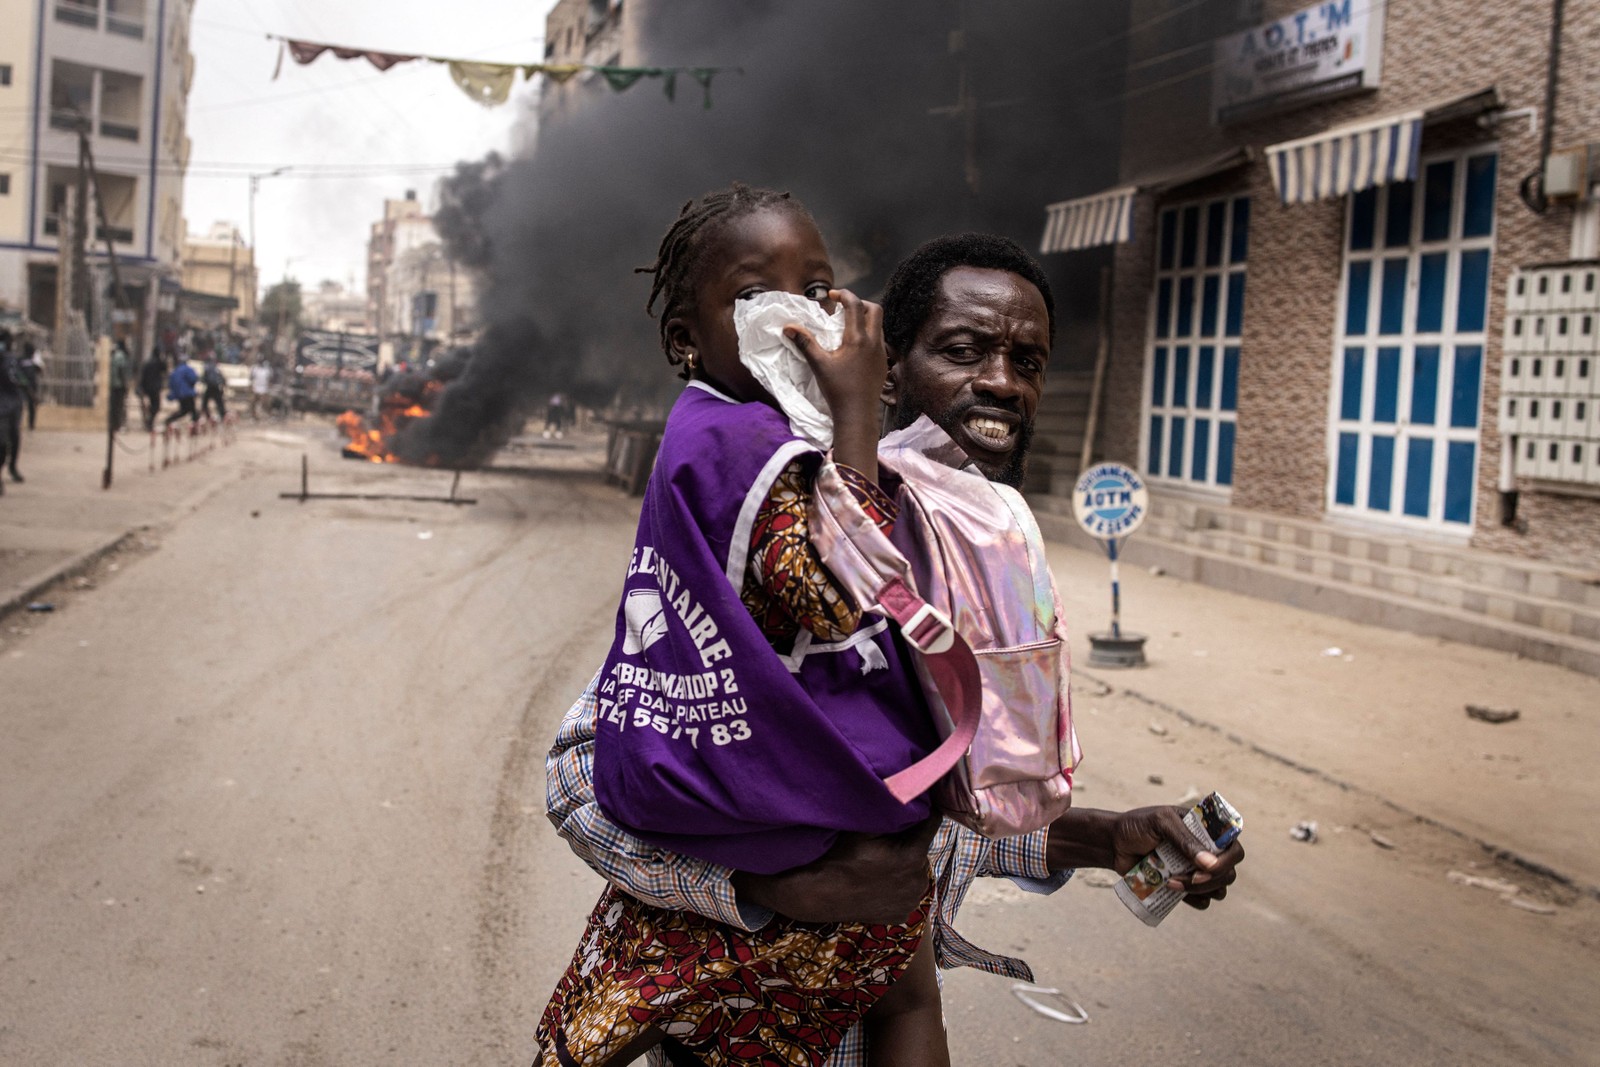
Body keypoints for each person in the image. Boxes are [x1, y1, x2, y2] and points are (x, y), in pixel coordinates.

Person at [546, 232, 1245, 1066]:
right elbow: (582, 765)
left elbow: (932, 811)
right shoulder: (795, 531)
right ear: (888, 369)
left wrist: (1108, 837)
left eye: (1027, 360)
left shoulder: (984, 557)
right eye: (963, 351)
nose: (1000, 381)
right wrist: (766, 889)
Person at [535, 186, 949, 1067]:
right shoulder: (744, 444)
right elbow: (839, 596)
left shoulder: (731, 428)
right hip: (762, 824)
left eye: (818, 285)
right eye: (756, 295)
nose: (794, 314)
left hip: (731, 807)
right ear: (687, 339)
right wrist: (858, 414)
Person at [163, 356, 199, 427]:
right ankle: (194, 425)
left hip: (180, 394)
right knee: (191, 410)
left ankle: (170, 420)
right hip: (188, 393)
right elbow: (193, 379)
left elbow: (171, 384)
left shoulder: (175, 371)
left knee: (185, 410)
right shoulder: (188, 369)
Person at [138, 348, 166, 431]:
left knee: (153, 405)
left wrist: (142, 387)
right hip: (155, 388)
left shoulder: (147, 363)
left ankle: (149, 421)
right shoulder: (158, 362)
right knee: (156, 406)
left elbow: (143, 376)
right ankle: (150, 421)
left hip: (147, 388)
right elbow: (165, 368)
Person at [109, 338, 131, 433]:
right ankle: (118, 425)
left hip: (113, 385)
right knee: (119, 406)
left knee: (114, 406)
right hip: (119, 385)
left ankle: (113, 425)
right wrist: (125, 384)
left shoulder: (114, 355)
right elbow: (121, 371)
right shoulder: (121, 356)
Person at [18, 340, 41, 431]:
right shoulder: (21, 359)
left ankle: (31, 425)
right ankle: (18, 423)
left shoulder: (33, 360)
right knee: (19, 405)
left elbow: (39, 370)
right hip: (22, 386)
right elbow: (18, 372)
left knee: (31, 406)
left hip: (31, 386)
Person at [200, 355, 227, 421]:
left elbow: (203, 378)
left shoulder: (207, 367)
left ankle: (208, 416)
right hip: (216, 387)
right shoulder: (216, 367)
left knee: (205, 403)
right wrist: (223, 386)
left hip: (209, 387)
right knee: (219, 403)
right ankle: (222, 415)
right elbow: (222, 378)